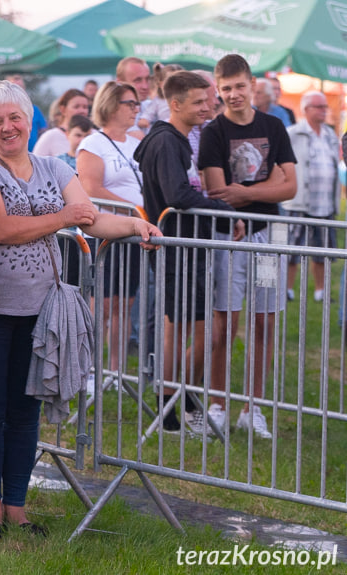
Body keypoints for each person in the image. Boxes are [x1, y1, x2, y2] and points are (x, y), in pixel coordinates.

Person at [0, 80, 160, 537]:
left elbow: (90, 216)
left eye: (15, 118)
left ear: (30, 121)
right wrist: (64, 219)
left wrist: (132, 224)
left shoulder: (54, 166)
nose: (7, 127)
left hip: (42, 309)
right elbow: (1, 229)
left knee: (26, 409)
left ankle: (17, 504)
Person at [134, 71, 243, 436]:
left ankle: (179, 404)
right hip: (177, 250)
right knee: (194, 331)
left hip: (185, 248)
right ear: (175, 104)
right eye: (198, 102)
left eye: (207, 99)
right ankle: (178, 407)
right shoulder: (166, 142)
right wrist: (225, 212)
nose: (207, 106)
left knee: (187, 329)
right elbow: (177, 195)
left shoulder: (175, 139)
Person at [198, 54, 297, 439]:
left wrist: (246, 191)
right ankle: (218, 404)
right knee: (225, 321)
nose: (234, 95)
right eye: (226, 89)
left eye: (240, 86)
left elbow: (290, 187)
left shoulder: (274, 126)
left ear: (252, 84)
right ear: (218, 91)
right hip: (229, 236)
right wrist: (264, 186)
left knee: (265, 320)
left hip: (269, 234)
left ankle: (254, 408)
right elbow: (217, 192)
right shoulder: (213, 132)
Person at [76, 80, 145, 383]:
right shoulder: (92, 144)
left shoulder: (137, 141)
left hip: (132, 232)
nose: (136, 109)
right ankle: (89, 369)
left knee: (124, 303)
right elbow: (91, 188)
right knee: (101, 304)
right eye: (130, 103)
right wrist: (134, 208)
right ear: (112, 105)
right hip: (104, 231)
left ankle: (115, 371)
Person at [284, 91, 339, 303]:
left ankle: (320, 291)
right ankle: (287, 289)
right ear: (306, 109)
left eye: (325, 106)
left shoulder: (329, 135)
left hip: (324, 202)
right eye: (319, 106)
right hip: (299, 201)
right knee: (291, 249)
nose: (324, 110)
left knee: (322, 250)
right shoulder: (293, 133)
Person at [33, 89, 90, 157]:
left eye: (85, 107)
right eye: (76, 107)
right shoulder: (50, 136)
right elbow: (35, 164)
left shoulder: (95, 134)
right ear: (63, 109)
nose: (82, 111)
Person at [3, 73, 46, 151]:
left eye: (21, 88)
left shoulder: (34, 110)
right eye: (15, 89)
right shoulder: (1, 111)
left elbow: (44, 132)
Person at [137, 63, 183, 131]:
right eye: (170, 82)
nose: (175, 85)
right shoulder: (158, 101)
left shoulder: (187, 99)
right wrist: (145, 121)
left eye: (179, 81)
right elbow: (146, 117)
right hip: (166, 131)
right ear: (161, 84)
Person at [116, 57, 151, 139]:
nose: (145, 86)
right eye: (138, 80)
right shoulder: (113, 117)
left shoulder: (152, 106)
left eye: (147, 79)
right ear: (120, 82)